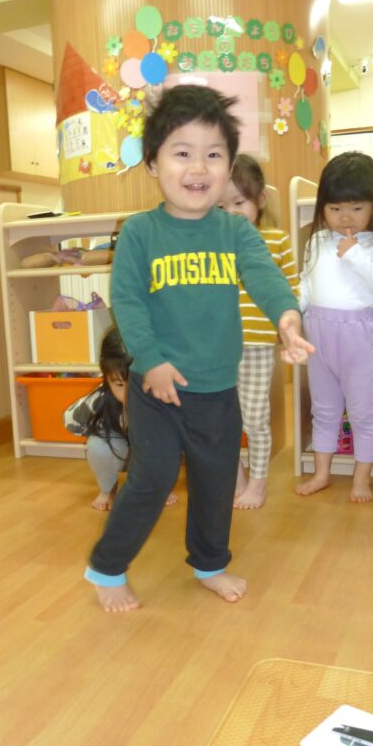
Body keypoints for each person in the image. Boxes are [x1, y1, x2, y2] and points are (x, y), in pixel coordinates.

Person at [85, 84, 313, 613]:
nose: (198, 167)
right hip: (157, 386)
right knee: (152, 477)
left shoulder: (235, 232)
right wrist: (150, 362)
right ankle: (107, 568)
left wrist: (287, 318)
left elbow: (265, 276)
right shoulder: (140, 232)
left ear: (229, 166)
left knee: (214, 481)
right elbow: (128, 302)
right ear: (153, 163)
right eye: (182, 152)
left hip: (217, 387)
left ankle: (209, 563)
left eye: (214, 155)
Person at [295, 151, 373, 504]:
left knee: (362, 411)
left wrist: (355, 254)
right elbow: (306, 286)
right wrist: (292, 317)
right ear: (322, 208)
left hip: (358, 334)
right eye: (334, 207)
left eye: (356, 207)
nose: (344, 217)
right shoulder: (315, 242)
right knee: (323, 409)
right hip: (318, 332)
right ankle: (322, 473)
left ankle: (362, 477)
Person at [219, 154, 299, 509]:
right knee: (220, 420)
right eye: (221, 206)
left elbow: (292, 291)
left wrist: (289, 332)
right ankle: (235, 476)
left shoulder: (276, 240)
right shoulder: (211, 242)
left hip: (254, 346)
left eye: (239, 202)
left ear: (260, 199)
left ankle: (259, 482)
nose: (231, 212)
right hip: (215, 349)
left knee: (254, 418)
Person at [63, 326, 177, 511]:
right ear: (106, 379)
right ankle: (108, 488)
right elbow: (70, 420)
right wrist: (100, 431)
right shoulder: (100, 400)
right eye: (119, 384)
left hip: (151, 454)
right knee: (97, 445)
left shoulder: (163, 396)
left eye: (136, 383)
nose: (129, 393)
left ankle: (160, 487)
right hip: (122, 453)